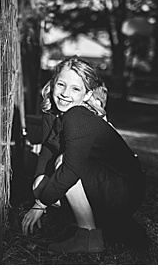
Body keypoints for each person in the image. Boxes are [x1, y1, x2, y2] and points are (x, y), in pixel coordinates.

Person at [20, 57, 147, 255]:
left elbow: (72, 169)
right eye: (61, 84)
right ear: (53, 83)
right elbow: (48, 149)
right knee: (41, 184)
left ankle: (87, 236)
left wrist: (40, 204)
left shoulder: (77, 116)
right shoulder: (51, 112)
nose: (64, 94)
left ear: (87, 95)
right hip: (98, 179)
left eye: (75, 89)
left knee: (64, 166)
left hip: (124, 189)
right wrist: (39, 186)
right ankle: (106, 223)